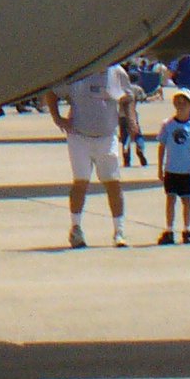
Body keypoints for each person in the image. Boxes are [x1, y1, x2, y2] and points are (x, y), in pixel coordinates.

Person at [47, 62, 131, 247]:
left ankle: (119, 230)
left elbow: (127, 98)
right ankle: (76, 228)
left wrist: (131, 121)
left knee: (113, 183)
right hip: (80, 136)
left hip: (107, 135)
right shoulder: (79, 73)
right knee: (81, 181)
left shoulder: (116, 73)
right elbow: (52, 92)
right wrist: (57, 118)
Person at [155, 89, 190, 242]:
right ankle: (169, 229)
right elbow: (162, 146)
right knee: (170, 199)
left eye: (184, 103)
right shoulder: (168, 124)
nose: (181, 106)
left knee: (186, 200)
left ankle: (187, 229)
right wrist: (160, 168)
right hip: (171, 169)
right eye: (178, 102)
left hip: (187, 170)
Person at [119, 83, 149, 167]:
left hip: (122, 116)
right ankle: (140, 148)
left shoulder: (120, 87)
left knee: (125, 137)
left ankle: (127, 160)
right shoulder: (137, 88)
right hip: (133, 116)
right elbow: (143, 98)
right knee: (137, 135)